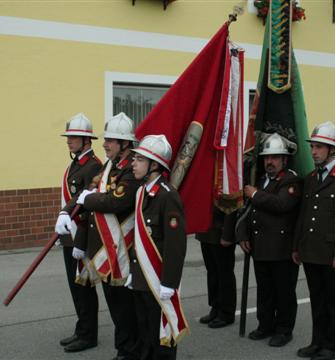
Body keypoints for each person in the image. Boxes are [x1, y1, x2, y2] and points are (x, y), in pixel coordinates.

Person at [74, 112, 142, 360]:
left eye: (111, 140)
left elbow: (116, 201)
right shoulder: (110, 166)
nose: (105, 144)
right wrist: (68, 210)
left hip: (122, 250)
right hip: (105, 247)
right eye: (106, 140)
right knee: (116, 305)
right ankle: (124, 348)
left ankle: (129, 351)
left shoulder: (131, 169)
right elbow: (91, 189)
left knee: (125, 307)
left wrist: (88, 199)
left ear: (125, 144)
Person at [293, 121, 335, 360]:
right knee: (317, 299)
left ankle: (332, 346)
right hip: (312, 251)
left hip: (333, 253)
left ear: (332, 150)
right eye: (313, 146)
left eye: (319, 147)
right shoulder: (311, 178)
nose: (314, 151)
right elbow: (304, 215)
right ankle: (317, 341)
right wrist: (297, 246)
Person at [236, 133, 302, 347]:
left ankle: (284, 330)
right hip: (261, 247)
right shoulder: (261, 179)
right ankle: (265, 325)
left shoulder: (291, 180)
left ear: (284, 160)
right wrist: (243, 235)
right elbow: (248, 212)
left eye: (275, 157)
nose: (269, 162)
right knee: (265, 290)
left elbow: (282, 205)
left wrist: (255, 194)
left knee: (283, 292)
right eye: (266, 158)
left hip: (282, 249)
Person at [128, 134, 188, 360]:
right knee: (145, 331)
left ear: (154, 165)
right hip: (142, 277)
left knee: (161, 334)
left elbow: (176, 245)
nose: (133, 163)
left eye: (139, 159)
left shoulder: (168, 196)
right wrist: (134, 272)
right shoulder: (141, 192)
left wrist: (169, 283)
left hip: (159, 279)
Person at [54, 113, 102, 352]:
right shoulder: (77, 162)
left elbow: (83, 201)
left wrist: (66, 213)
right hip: (69, 233)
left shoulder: (93, 166)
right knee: (75, 286)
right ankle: (81, 327)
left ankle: (88, 334)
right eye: (69, 137)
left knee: (83, 285)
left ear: (86, 141)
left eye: (74, 137)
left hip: (82, 234)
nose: (69, 141)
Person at [195, 207, 237, 329]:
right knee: (212, 272)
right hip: (206, 229)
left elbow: (232, 205)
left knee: (224, 273)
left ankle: (226, 312)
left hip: (221, 229)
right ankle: (216, 307)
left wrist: (228, 233)